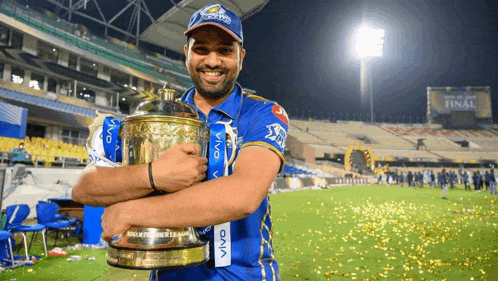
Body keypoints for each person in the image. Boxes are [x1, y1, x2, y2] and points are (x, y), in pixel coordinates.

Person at [72, 4, 288, 280]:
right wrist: (153, 175)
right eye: (201, 49)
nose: (212, 61)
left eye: (224, 50)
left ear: (241, 56)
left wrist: (132, 211)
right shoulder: (155, 117)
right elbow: (84, 188)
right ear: (186, 53)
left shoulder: (263, 113)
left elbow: (244, 195)